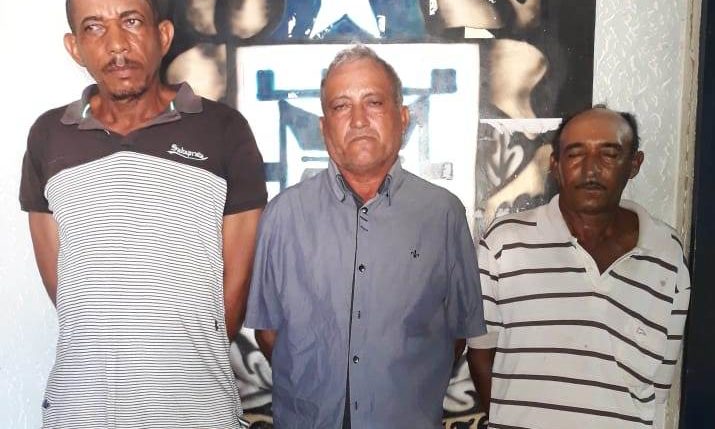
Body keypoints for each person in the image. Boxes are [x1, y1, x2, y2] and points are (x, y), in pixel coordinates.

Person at [19, 0, 266, 427]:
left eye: (131, 21)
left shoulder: (223, 130)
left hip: (196, 410)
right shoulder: (48, 137)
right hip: (81, 411)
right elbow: (66, 288)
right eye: (94, 27)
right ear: (74, 47)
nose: (116, 44)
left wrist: (180, 359)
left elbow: (234, 290)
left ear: (163, 35)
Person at [244, 45, 486, 429]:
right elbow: (269, 335)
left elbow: (456, 335)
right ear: (323, 127)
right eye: (341, 106)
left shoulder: (443, 215)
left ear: (402, 117)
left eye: (373, 102)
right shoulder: (283, 217)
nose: (358, 120)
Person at [467, 106, 690, 428]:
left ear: (634, 164)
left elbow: (657, 386)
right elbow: (480, 353)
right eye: (575, 154)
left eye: (609, 154)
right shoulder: (504, 244)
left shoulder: (666, 254)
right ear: (555, 165)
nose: (590, 169)